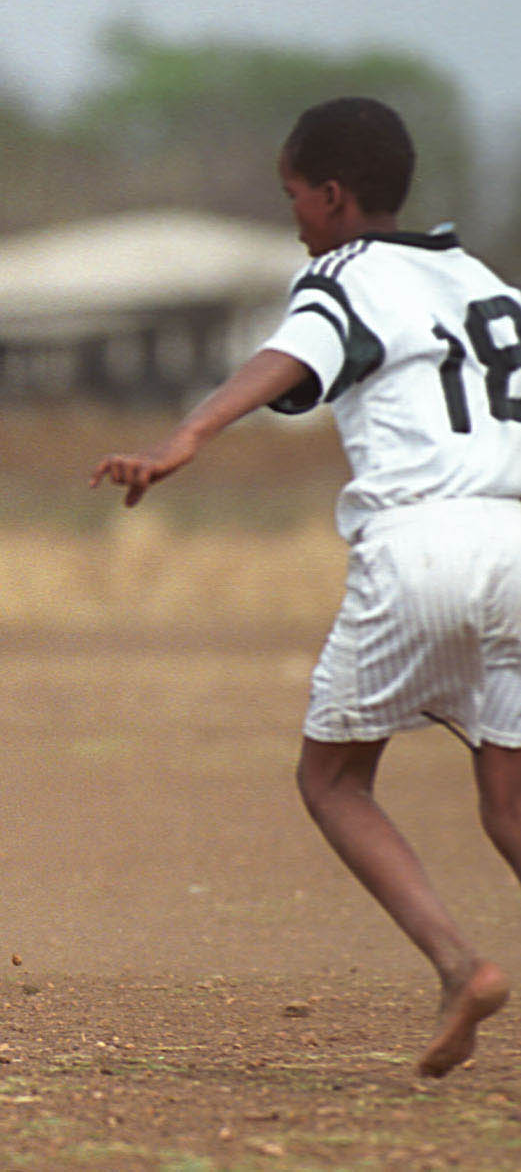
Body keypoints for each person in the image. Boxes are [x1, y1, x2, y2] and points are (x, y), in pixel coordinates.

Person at [91, 97, 521, 1078]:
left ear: (329, 195)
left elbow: (286, 356)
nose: (292, 219)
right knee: (506, 799)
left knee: (331, 780)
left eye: (291, 196)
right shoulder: (484, 282)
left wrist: (186, 435)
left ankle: (459, 966)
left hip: (421, 539)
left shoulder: (343, 273)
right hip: (513, 535)